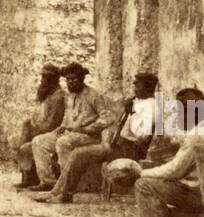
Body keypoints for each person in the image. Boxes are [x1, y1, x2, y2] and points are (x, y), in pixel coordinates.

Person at [37, 71, 159, 204]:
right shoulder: (141, 103)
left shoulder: (150, 107)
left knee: (79, 154)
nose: (134, 89)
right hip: (120, 145)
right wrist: (128, 111)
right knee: (77, 152)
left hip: (128, 149)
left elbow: (142, 139)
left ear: (147, 88)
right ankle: (59, 192)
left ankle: (63, 194)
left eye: (137, 86)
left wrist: (119, 142)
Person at [132, 88, 204, 217]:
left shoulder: (196, 136)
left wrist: (141, 173)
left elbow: (175, 171)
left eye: (179, 113)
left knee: (144, 185)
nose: (177, 117)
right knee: (155, 181)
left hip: (199, 194)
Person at [28, 63, 109, 193]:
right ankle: (48, 181)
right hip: (69, 133)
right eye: (68, 80)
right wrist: (61, 127)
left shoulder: (93, 95)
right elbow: (68, 117)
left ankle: (68, 185)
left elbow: (106, 119)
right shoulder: (70, 96)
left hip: (89, 136)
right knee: (39, 141)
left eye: (74, 79)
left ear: (82, 79)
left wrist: (87, 128)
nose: (70, 83)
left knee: (63, 143)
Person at [15, 64, 65, 189]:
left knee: (25, 147)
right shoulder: (47, 95)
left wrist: (34, 130)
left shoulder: (58, 97)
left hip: (51, 133)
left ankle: (43, 181)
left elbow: (52, 125)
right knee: (15, 140)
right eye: (43, 77)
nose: (43, 80)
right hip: (40, 131)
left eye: (46, 77)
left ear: (53, 80)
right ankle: (28, 176)